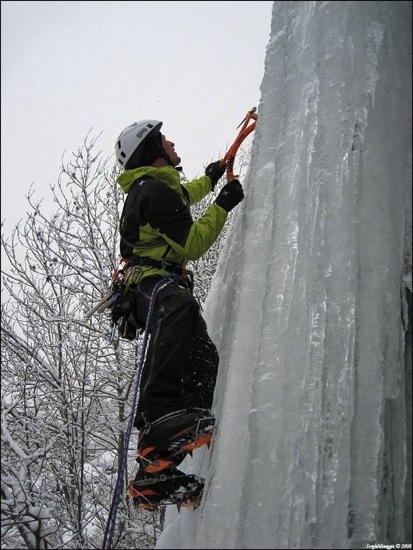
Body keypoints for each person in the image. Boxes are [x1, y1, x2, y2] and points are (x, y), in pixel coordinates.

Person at [113, 119, 244, 507]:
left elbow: (184, 196)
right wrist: (223, 202)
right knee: (180, 309)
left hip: (156, 284)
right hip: (149, 284)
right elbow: (190, 244)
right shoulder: (152, 191)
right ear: (153, 153)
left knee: (204, 354)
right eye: (165, 139)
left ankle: (157, 473)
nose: (172, 142)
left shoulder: (158, 188)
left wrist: (212, 177)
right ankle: (159, 417)